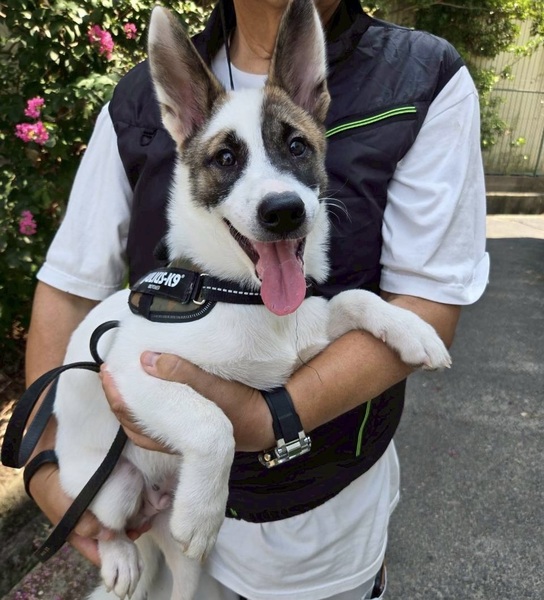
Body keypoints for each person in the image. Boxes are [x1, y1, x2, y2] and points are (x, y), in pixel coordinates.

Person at [24, 0, 489, 598]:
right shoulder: (134, 101)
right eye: (227, 159)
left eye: (295, 148)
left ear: (315, 99)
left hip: (318, 538)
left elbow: (425, 301)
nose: (277, 194)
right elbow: (71, 289)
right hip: (156, 501)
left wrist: (269, 420)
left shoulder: (421, 75)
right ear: (181, 119)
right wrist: (43, 466)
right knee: (131, 530)